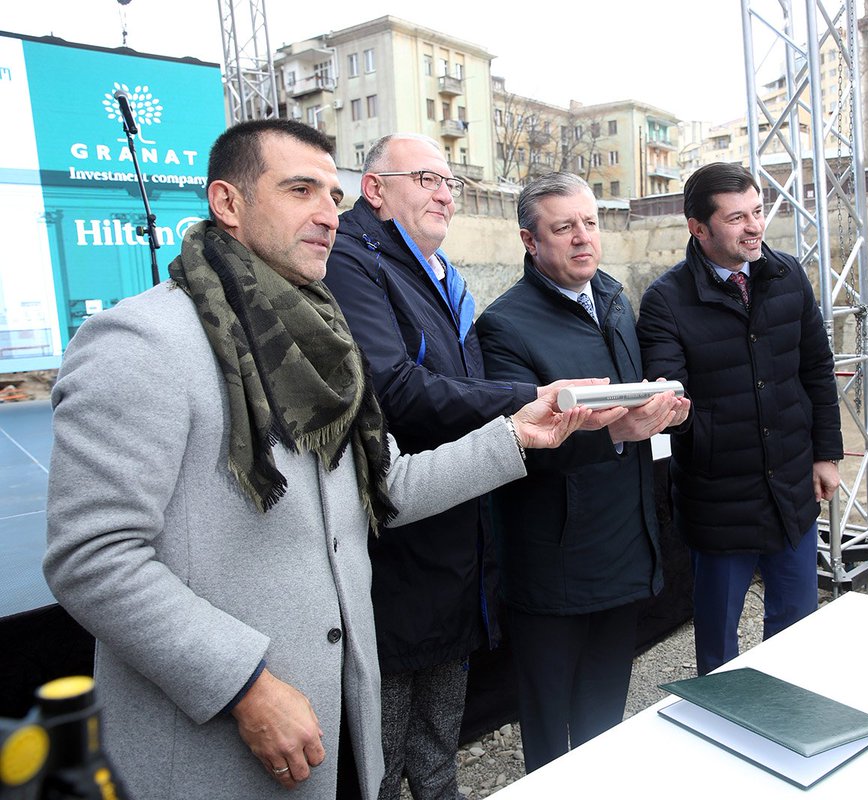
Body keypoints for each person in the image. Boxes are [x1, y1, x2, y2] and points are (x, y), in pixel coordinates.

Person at [42, 120, 593, 800]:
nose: (328, 215)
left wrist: (515, 436)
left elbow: (385, 485)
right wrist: (243, 684)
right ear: (228, 203)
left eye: (333, 196)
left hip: (336, 724)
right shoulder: (139, 342)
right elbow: (91, 557)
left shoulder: (323, 341)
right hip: (213, 749)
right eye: (300, 190)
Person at [322, 134, 601, 799]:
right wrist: (529, 400)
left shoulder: (436, 274)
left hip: (453, 542)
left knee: (438, 747)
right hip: (398, 545)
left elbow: (454, 392)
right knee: (382, 764)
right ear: (375, 188)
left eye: (452, 182)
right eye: (426, 177)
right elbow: (393, 388)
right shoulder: (353, 263)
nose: (446, 192)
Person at [474, 172, 689, 772]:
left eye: (589, 223)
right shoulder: (504, 326)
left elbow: (627, 407)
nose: (582, 238)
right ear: (529, 241)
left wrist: (658, 412)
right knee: (547, 726)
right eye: (563, 227)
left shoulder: (616, 301)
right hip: (553, 559)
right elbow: (517, 447)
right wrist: (620, 432)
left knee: (603, 718)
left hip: (623, 542)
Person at [636, 162, 844, 677]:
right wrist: (681, 419)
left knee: (797, 626)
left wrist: (826, 453)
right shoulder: (665, 301)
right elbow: (670, 393)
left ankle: (791, 720)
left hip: (791, 487)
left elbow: (816, 369)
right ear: (698, 228)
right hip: (718, 496)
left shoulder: (788, 274)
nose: (754, 227)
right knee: (717, 639)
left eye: (757, 212)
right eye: (736, 218)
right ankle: (723, 728)